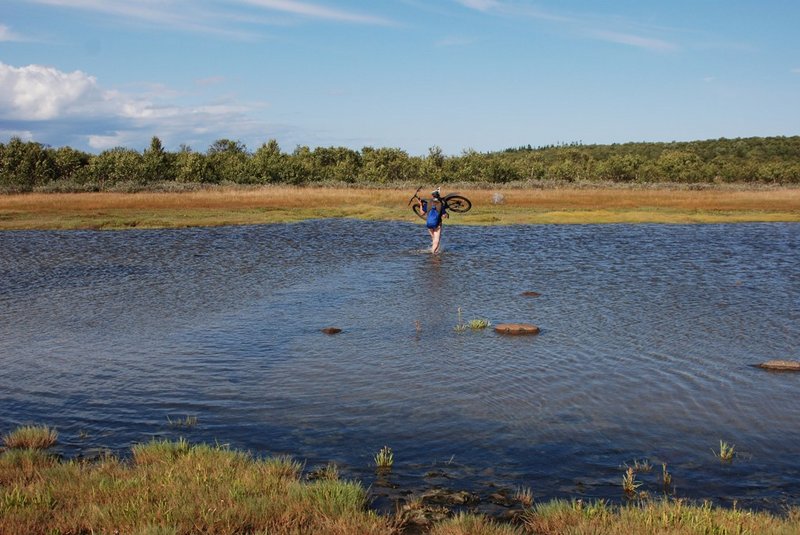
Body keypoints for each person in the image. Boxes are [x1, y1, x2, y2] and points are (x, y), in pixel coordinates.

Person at [417, 188, 448, 254]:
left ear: (432, 196)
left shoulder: (428, 204)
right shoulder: (440, 204)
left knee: (434, 239)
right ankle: (433, 254)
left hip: (429, 225)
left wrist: (420, 205)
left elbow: (422, 213)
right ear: (438, 196)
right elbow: (444, 215)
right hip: (437, 225)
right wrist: (446, 215)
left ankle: (435, 250)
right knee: (436, 241)